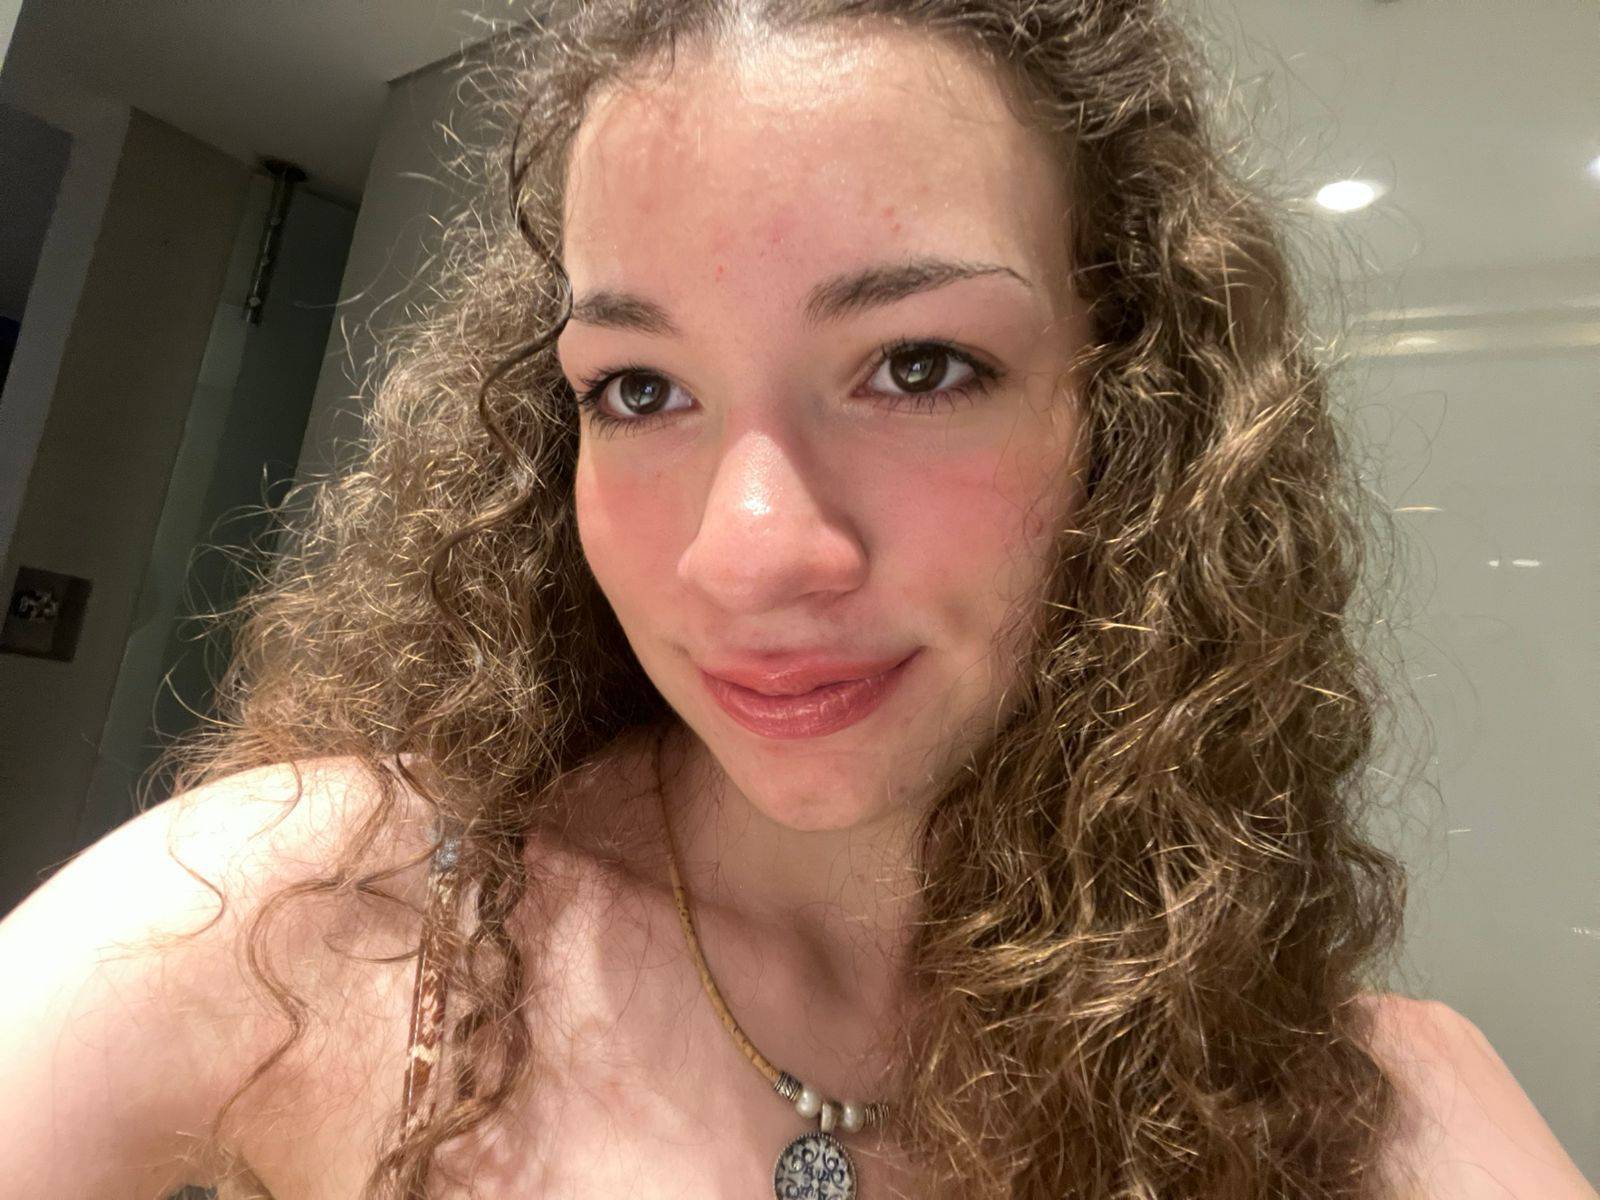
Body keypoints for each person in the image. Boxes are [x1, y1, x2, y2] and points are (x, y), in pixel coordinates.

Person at [2, 2, 1594, 1198]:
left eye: (920, 366)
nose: (745, 554)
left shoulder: (1368, 1114)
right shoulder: (310, 925)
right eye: (638, 388)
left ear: (1134, 416)